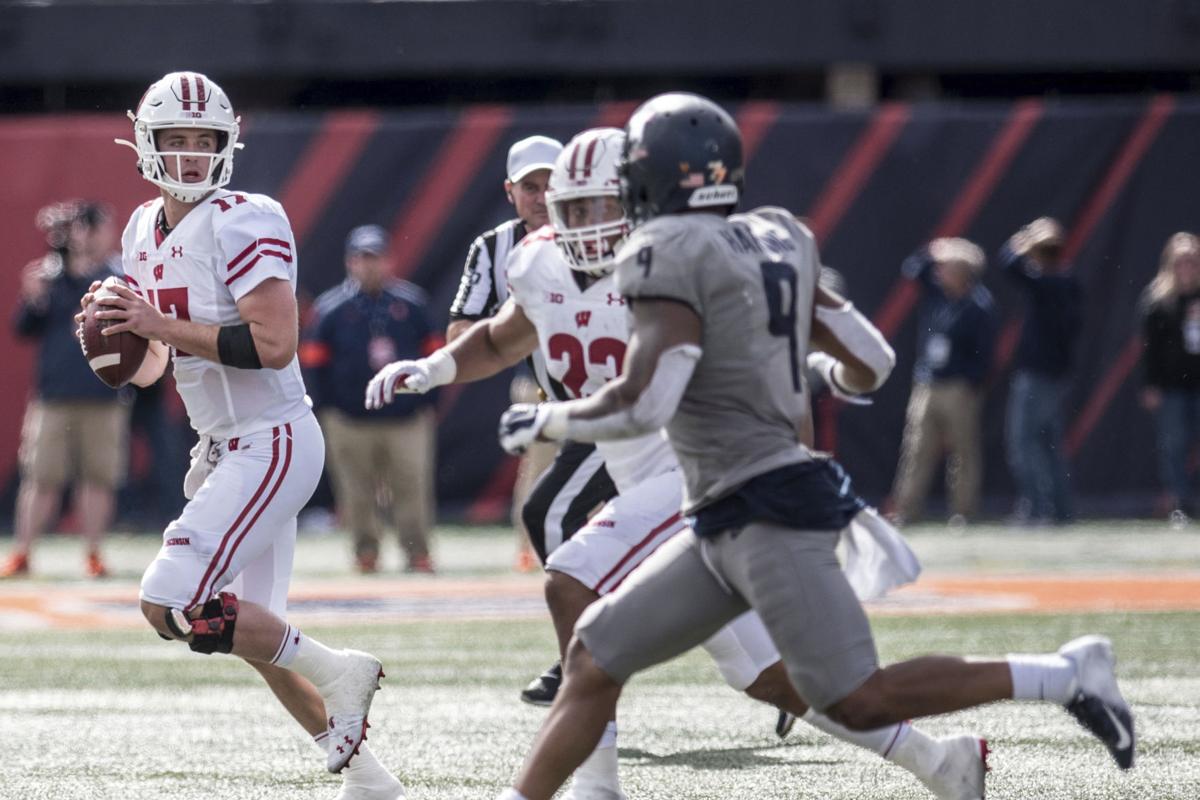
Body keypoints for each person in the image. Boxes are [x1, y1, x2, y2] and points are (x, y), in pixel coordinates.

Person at [488, 92, 1134, 800]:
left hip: (761, 505)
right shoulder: (777, 237)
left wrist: (548, 423)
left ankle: (1065, 673)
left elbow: (644, 399)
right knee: (599, 655)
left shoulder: (658, 252)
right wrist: (810, 369)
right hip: (716, 510)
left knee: (855, 695)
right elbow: (874, 362)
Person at [369, 127, 984, 800]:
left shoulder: (675, 268)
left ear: (635, 201)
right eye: (568, 208)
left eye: (595, 206)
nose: (578, 223)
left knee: (570, 579)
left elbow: (755, 372)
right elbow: (505, 334)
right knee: (763, 674)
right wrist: (430, 370)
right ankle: (938, 760)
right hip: (645, 473)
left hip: (695, 468)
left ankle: (595, 786)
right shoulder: (539, 261)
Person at [85, 71, 404, 800]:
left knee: (169, 602)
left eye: (206, 141)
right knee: (241, 631)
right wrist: (122, 349)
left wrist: (157, 325)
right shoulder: (140, 228)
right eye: (177, 140)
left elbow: (274, 343)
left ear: (228, 146)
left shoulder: (247, 217)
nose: (192, 154)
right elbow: (159, 362)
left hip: (273, 438)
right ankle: (369, 778)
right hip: (223, 446)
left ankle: (339, 669)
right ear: (146, 142)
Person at [447, 133, 618, 704]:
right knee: (552, 513)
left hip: (637, 407)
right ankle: (587, 656)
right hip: (571, 408)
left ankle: (591, 655)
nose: (545, 197)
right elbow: (464, 339)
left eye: (555, 185)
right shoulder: (503, 250)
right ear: (511, 193)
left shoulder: (622, 237)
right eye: (532, 187)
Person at [302, 224, 440, 574]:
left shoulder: (411, 304)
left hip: (405, 417)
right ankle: (366, 553)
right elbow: (313, 363)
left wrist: (428, 405)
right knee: (356, 492)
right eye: (362, 258)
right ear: (350, 262)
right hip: (350, 418)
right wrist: (327, 411)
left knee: (412, 487)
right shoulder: (331, 308)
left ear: (389, 261)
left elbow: (436, 355)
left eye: (375, 258)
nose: (370, 266)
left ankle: (417, 552)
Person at [2, 200, 127, 580]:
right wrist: (33, 295)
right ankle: (23, 552)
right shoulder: (50, 277)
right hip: (53, 396)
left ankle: (92, 553)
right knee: (41, 478)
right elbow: (23, 328)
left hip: (104, 395)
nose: (102, 235)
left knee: (98, 478)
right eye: (95, 227)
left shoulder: (116, 277)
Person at [890, 237, 996, 525]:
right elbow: (913, 269)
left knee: (963, 451)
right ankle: (907, 510)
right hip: (928, 383)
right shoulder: (936, 295)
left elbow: (985, 353)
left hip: (958, 386)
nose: (938, 272)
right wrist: (937, 248)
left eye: (946, 267)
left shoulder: (978, 305)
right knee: (916, 450)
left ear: (962, 273)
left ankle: (963, 511)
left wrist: (971, 384)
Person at [998, 218, 1082, 525]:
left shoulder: (1047, 282)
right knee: (1049, 443)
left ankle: (1035, 507)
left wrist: (1025, 238)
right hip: (1056, 374)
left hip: (1037, 374)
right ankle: (1061, 509)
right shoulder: (1068, 281)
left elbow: (1007, 261)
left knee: (1024, 442)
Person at [1139, 231, 1200, 526]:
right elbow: (1148, 349)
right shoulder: (1159, 300)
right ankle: (1180, 504)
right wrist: (1150, 385)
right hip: (1172, 386)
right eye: (1181, 262)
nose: (1186, 267)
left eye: (1191, 261)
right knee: (1173, 446)